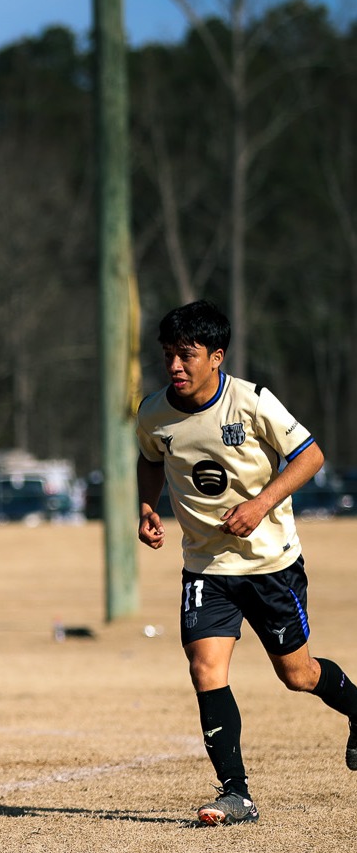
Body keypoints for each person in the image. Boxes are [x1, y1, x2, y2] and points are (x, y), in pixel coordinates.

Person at [137, 299, 357, 825]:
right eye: (168, 355)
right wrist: (147, 507)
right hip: (205, 568)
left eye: (186, 355)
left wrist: (260, 505)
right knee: (204, 669)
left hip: (269, 566)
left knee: (297, 675)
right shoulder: (153, 412)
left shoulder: (252, 402)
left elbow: (311, 456)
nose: (174, 366)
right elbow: (149, 458)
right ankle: (236, 794)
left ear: (216, 356)